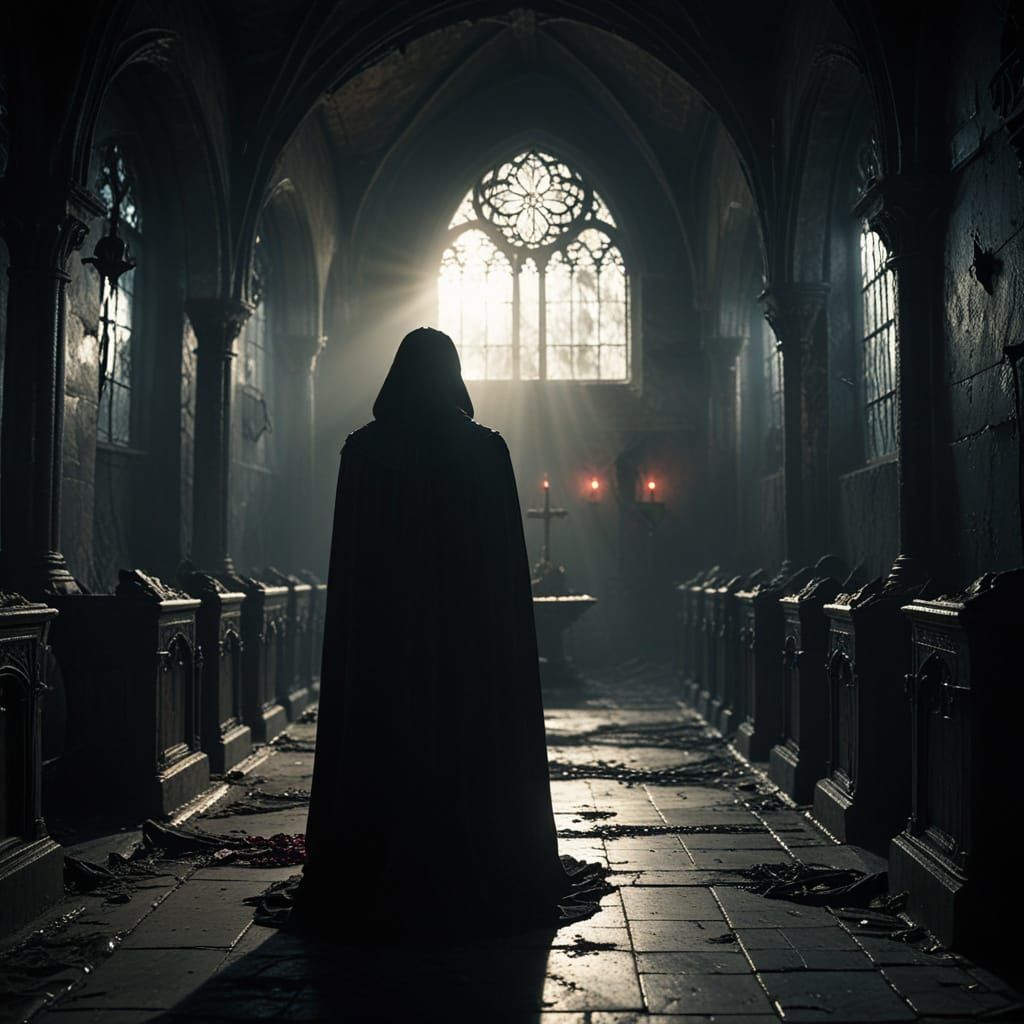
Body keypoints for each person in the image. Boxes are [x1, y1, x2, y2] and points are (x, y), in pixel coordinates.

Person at [292, 327, 606, 935]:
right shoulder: (486, 451)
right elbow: (504, 573)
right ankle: (481, 855)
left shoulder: (363, 451)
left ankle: (376, 859)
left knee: (387, 741)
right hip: (471, 646)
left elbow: (354, 568)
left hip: (386, 644)